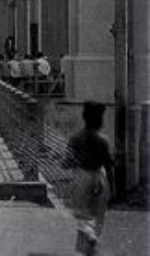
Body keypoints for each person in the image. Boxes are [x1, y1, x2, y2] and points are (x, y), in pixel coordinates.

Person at [63, 101, 114, 256]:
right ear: (99, 120)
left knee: (81, 212)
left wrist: (65, 163)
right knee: (98, 213)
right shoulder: (103, 141)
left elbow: (68, 162)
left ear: (84, 117)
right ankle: (92, 241)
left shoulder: (75, 138)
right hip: (99, 176)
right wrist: (112, 186)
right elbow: (108, 164)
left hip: (81, 176)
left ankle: (88, 237)